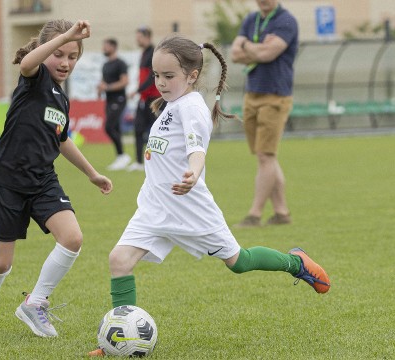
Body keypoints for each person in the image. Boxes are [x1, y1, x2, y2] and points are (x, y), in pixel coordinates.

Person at [88, 35, 329, 357]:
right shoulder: (172, 105)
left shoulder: (192, 108)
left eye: (168, 76)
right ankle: (117, 340)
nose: (160, 82)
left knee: (238, 262)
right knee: (119, 260)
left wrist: (194, 172)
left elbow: (196, 147)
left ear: (192, 76)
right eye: (157, 75)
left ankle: (294, 261)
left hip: (190, 207)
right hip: (155, 207)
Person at [0, 19, 113, 338]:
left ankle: (35, 303)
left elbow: (62, 139)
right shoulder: (35, 77)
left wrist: (92, 174)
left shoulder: (61, 98)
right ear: (46, 52)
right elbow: (29, 62)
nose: (66, 62)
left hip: (43, 180)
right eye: (60, 54)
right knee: (2, 263)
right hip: (8, 179)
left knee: (72, 238)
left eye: (73, 56)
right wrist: (69, 35)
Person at [230, 0, 298, 227]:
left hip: (276, 95)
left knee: (265, 156)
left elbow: (269, 54)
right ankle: (282, 213)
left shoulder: (286, 20)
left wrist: (248, 46)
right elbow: (234, 54)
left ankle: (255, 214)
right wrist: (257, 48)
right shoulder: (251, 19)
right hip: (252, 94)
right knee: (265, 155)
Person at [126, 26, 161, 172]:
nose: (137, 39)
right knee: (138, 129)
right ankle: (140, 162)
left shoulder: (153, 53)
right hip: (144, 99)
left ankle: (157, 162)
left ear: (147, 37)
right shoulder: (144, 53)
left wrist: (138, 90)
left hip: (154, 99)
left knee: (156, 132)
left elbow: (152, 77)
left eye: (139, 36)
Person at [97, 38, 130, 170]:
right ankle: (120, 157)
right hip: (109, 100)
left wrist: (108, 87)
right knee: (115, 129)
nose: (103, 48)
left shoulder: (121, 63)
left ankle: (123, 155)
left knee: (108, 127)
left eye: (106, 46)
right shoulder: (105, 65)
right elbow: (104, 82)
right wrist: (100, 89)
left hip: (119, 99)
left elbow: (124, 82)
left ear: (113, 47)